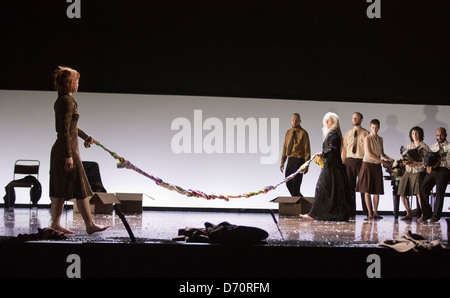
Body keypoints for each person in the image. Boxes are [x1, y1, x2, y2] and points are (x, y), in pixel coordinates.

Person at [50, 66, 109, 234]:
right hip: (66, 152)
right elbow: (62, 130)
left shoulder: (64, 99)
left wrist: (85, 136)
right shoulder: (67, 101)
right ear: (69, 83)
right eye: (76, 81)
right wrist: (68, 156)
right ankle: (88, 225)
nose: (78, 84)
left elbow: (71, 126)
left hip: (67, 150)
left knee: (64, 188)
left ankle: (57, 223)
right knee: (80, 188)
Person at [299, 112, 352, 221]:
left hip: (332, 167)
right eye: (325, 120)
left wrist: (324, 153)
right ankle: (324, 214)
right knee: (329, 190)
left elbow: (333, 148)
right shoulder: (332, 133)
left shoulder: (333, 134)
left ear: (334, 122)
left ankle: (315, 214)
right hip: (330, 166)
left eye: (329, 120)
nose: (326, 122)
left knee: (322, 188)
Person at [356, 119, 394, 220]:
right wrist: (383, 162)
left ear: (379, 127)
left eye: (376, 128)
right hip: (367, 165)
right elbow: (369, 154)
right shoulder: (367, 138)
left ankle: (375, 212)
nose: (375, 129)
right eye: (373, 127)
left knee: (377, 190)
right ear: (370, 127)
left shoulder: (380, 139)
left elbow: (382, 154)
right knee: (367, 190)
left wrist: (391, 160)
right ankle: (369, 213)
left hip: (377, 165)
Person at [418, 127, 450, 222]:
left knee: (439, 191)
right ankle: (427, 214)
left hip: (445, 170)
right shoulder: (433, 147)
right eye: (437, 135)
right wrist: (428, 165)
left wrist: (440, 163)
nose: (439, 137)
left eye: (441, 135)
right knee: (423, 189)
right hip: (434, 170)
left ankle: (435, 217)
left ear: (446, 135)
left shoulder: (449, 146)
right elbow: (427, 159)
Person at [397, 127, 429, 220]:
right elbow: (406, 157)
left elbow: (427, 161)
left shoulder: (424, 146)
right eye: (413, 133)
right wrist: (406, 162)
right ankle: (409, 212)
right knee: (402, 192)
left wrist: (417, 163)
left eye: (416, 133)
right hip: (408, 170)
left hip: (418, 171)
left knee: (419, 194)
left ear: (420, 134)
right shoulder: (409, 145)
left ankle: (424, 215)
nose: (414, 135)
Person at [342, 112, 369, 217]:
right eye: (353, 118)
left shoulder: (366, 133)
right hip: (349, 161)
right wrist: (343, 162)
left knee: (363, 187)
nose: (354, 119)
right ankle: (350, 211)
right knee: (349, 187)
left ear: (361, 120)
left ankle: (367, 211)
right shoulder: (348, 133)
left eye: (356, 118)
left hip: (361, 160)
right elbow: (344, 149)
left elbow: (367, 150)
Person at [280, 113, 311, 197]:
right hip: (290, 160)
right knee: (288, 182)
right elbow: (285, 147)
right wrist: (282, 161)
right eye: (293, 119)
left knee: (296, 185)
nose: (294, 121)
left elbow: (307, 150)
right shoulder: (288, 132)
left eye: (296, 120)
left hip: (299, 161)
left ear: (300, 121)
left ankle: (296, 207)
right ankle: (300, 200)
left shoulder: (303, 133)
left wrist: (307, 165)